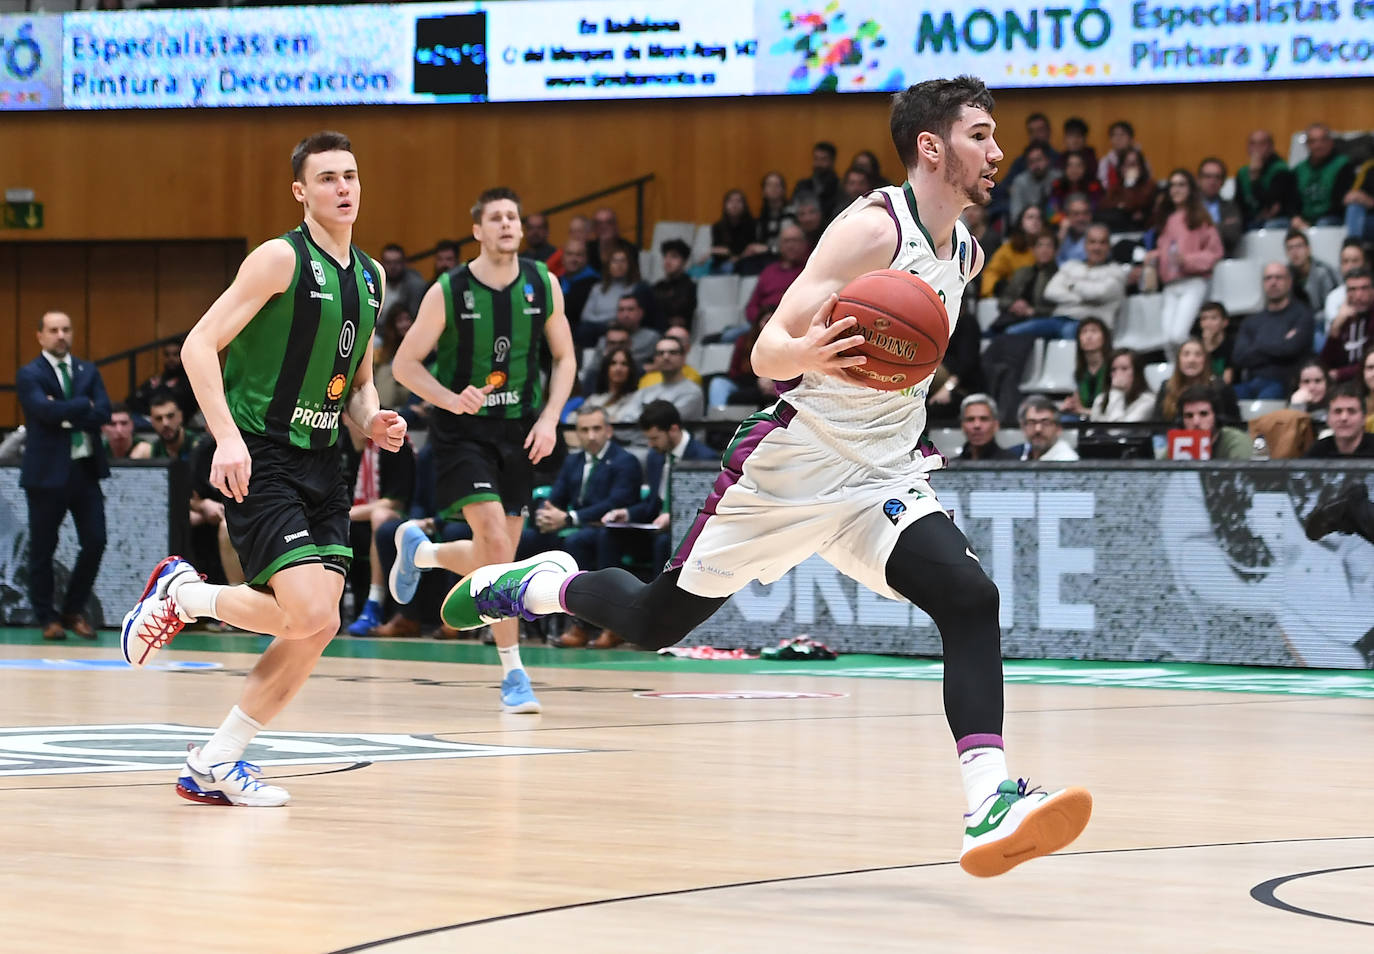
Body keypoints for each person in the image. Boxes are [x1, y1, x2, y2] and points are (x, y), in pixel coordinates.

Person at [435, 76, 1092, 877]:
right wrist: (811, 353)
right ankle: (545, 584)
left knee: (971, 597)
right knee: (653, 621)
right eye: (982, 135)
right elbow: (767, 351)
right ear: (933, 145)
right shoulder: (870, 230)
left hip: (879, 473)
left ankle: (989, 802)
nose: (998, 151)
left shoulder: (967, 251)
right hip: (792, 468)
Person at [119, 131, 407, 808]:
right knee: (305, 609)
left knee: (320, 623)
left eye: (352, 175)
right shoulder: (279, 259)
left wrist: (373, 420)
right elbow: (198, 346)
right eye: (328, 178)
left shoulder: (372, 277)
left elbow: (358, 382)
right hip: (261, 450)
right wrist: (225, 438)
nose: (344, 187)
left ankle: (215, 761)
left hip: (324, 460)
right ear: (302, 192)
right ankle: (180, 596)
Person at [388, 186, 577, 713]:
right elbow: (405, 365)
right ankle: (514, 674)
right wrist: (450, 399)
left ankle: (422, 554)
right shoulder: (449, 290)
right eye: (495, 218)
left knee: (500, 559)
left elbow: (563, 360)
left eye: (513, 216)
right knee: (495, 539)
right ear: (478, 230)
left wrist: (550, 419)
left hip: (519, 432)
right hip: (462, 434)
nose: (506, 224)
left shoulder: (544, 283)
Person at [16, 310, 112, 642]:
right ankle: (47, 617)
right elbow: (42, 411)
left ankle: (73, 609)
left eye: (65, 329)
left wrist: (65, 412)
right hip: (45, 475)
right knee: (43, 549)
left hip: (84, 472)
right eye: (53, 330)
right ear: (40, 335)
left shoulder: (88, 370)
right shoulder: (30, 373)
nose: (60, 335)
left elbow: (103, 412)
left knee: (96, 541)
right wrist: (80, 407)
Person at [1143, 169, 1223, 352]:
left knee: (1179, 335)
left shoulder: (1200, 218)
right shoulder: (1166, 219)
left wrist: (1187, 260)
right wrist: (1156, 255)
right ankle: (1176, 378)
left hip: (1193, 281)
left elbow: (1215, 252)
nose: (1175, 190)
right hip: (1170, 284)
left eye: (1181, 185)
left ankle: (1194, 365)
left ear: (1190, 189)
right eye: (1172, 185)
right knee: (1166, 339)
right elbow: (1167, 249)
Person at [1232, 264, 1315, 399]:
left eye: (1279, 277)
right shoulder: (1252, 321)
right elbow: (1239, 357)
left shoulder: (1302, 315)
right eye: (1268, 278)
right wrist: (1279, 344)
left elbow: (1291, 349)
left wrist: (1258, 345)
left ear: (1289, 282)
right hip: (1250, 383)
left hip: (1284, 383)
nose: (1273, 282)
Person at [1319, 268, 1374, 382]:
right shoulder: (1343, 317)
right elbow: (1325, 363)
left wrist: (1340, 374)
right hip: (1342, 386)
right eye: (1352, 289)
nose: (1358, 295)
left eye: (1364, 288)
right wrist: (1336, 327)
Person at [129, 337, 197, 421]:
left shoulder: (189, 382)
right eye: (167, 355)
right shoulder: (156, 380)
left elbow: (184, 407)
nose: (171, 359)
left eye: (175, 354)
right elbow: (132, 401)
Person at [1177, 385, 1252, 460]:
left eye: (1203, 414)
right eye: (1189, 416)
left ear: (1217, 417)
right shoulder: (1178, 443)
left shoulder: (1237, 441)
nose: (1196, 422)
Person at [1305, 384, 1374, 457]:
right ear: (1328, 418)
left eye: (1351, 411)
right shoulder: (1317, 451)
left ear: (1363, 418)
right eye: (1338, 411)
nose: (1344, 418)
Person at [1090, 349, 1155, 422]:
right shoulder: (1101, 399)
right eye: (1113, 369)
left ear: (1137, 373)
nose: (1118, 374)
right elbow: (1091, 430)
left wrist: (1117, 392)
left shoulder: (1147, 401)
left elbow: (1118, 431)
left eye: (1124, 369)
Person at [1012, 394, 1079, 461]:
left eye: (1046, 423)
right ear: (1023, 427)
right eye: (1031, 422)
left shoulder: (1067, 460)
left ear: (1058, 429)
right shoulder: (1016, 454)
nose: (1038, 429)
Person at [952, 393, 1013, 461]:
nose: (977, 425)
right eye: (970, 419)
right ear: (962, 426)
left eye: (984, 419)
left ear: (996, 425)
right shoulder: (950, 467)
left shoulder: (1013, 464)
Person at [147, 389, 198, 461]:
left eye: (170, 416)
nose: (165, 423)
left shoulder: (198, 445)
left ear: (180, 416)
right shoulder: (151, 451)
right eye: (158, 418)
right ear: (152, 422)